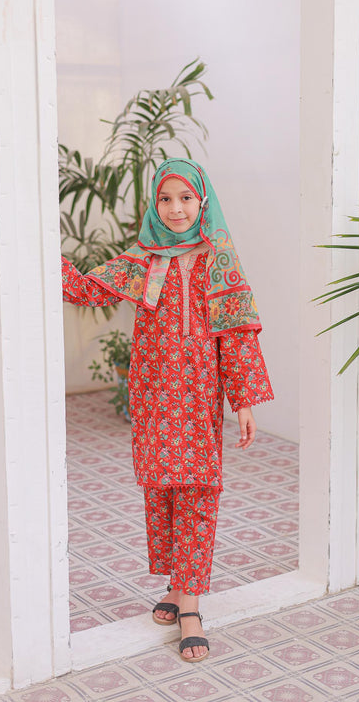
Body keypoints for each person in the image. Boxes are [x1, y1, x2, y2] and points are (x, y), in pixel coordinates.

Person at [61, 158, 273, 662]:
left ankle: (192, 605)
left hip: (199, 397)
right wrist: (44, 252)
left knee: (198, 488)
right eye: (165, 198)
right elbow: (87, 288)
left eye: (186, 198)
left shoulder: (217, 258)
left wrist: (241, 400)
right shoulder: (143, 257)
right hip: (154, 395)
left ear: (202, 202)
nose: (176, 209)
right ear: (154, 205)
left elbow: (237, 335)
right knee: (162, 489)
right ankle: (178, 585)